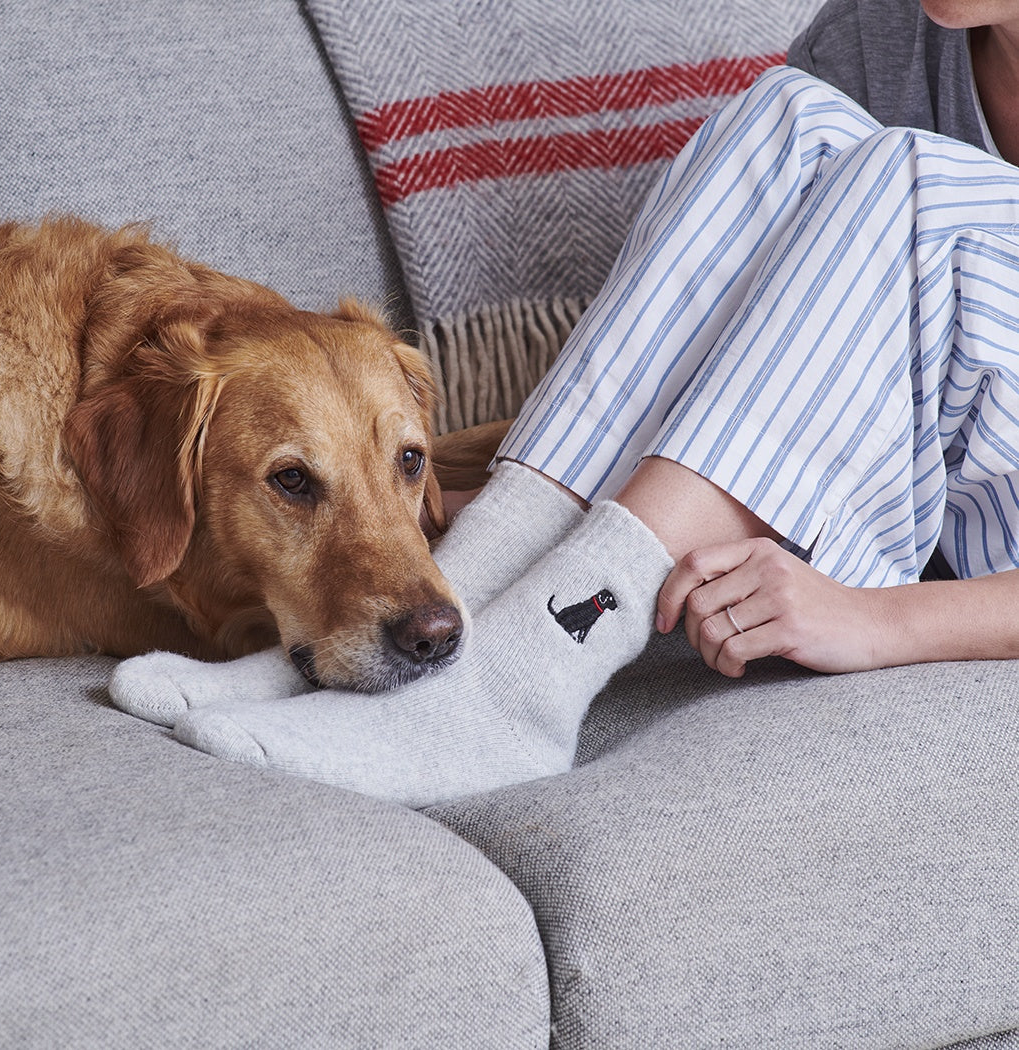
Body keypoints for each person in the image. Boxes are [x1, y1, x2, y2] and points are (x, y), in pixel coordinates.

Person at [109, 1, 1019, 808]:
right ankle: (472, 589)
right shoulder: (880, 32)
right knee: (788, 118)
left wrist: (875, 622)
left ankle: (523, 685)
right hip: (908, 486)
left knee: (905, 176)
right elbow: (773, 336)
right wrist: (516, 518)